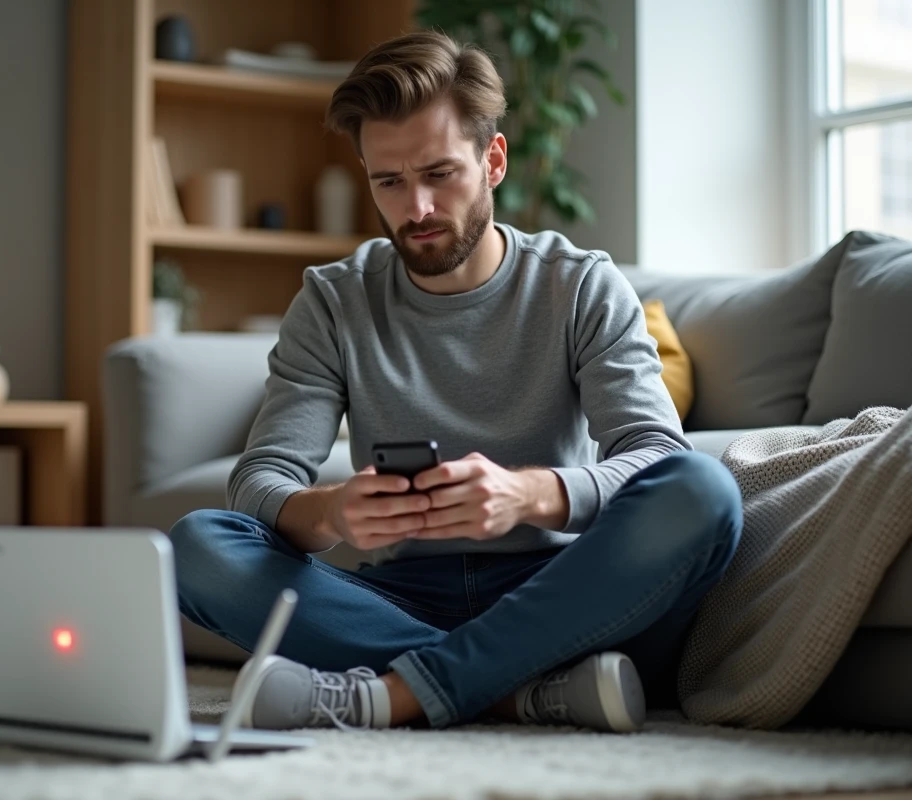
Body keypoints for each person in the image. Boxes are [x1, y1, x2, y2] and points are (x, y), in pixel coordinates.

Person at [169, 30, 743, 733]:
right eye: (389, 181)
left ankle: (399, 693)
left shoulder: (582, 285)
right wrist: (331, 513)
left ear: (493, 160)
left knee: (704, 491)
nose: (416, 210)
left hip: (562, 593)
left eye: (440, 174)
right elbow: (260, 480)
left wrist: (529, 493)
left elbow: (658, 455)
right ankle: (520, 691)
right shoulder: (333, 300)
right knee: (199, 546)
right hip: (402, 597)